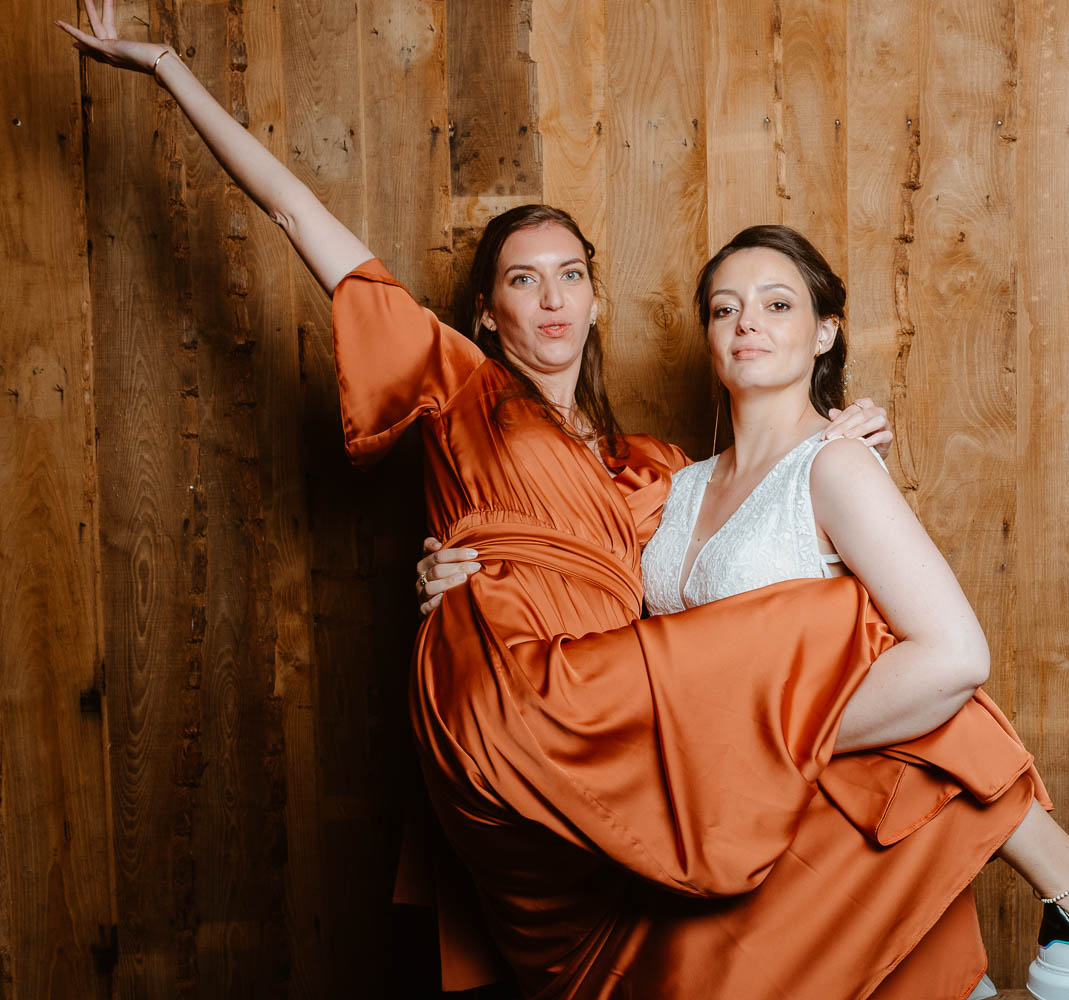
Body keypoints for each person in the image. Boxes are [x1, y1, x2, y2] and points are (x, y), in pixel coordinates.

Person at [59, 6, 1012, 998]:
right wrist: (168, 70)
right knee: (833, 631)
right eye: (523, 279)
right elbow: (304, 221)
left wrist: (833, 445)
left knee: (827, 665)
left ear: (597, 300)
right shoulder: (461, 388)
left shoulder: (651, 468)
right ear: (485, 310)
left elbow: (740, 546)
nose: (552, 299)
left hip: (614, 729)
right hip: (512, 700)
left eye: (571, 277)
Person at [421, 226, 1069, 1000]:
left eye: (777, 303)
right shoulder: (666, 488)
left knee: (867, 650)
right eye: (726, 308)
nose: (747, 322)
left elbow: (952, 658)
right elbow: (576, 565)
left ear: (824, 332)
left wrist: (771, 738)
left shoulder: (835, 464)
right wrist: (464, 573)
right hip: (707, 825)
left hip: (799, 809)